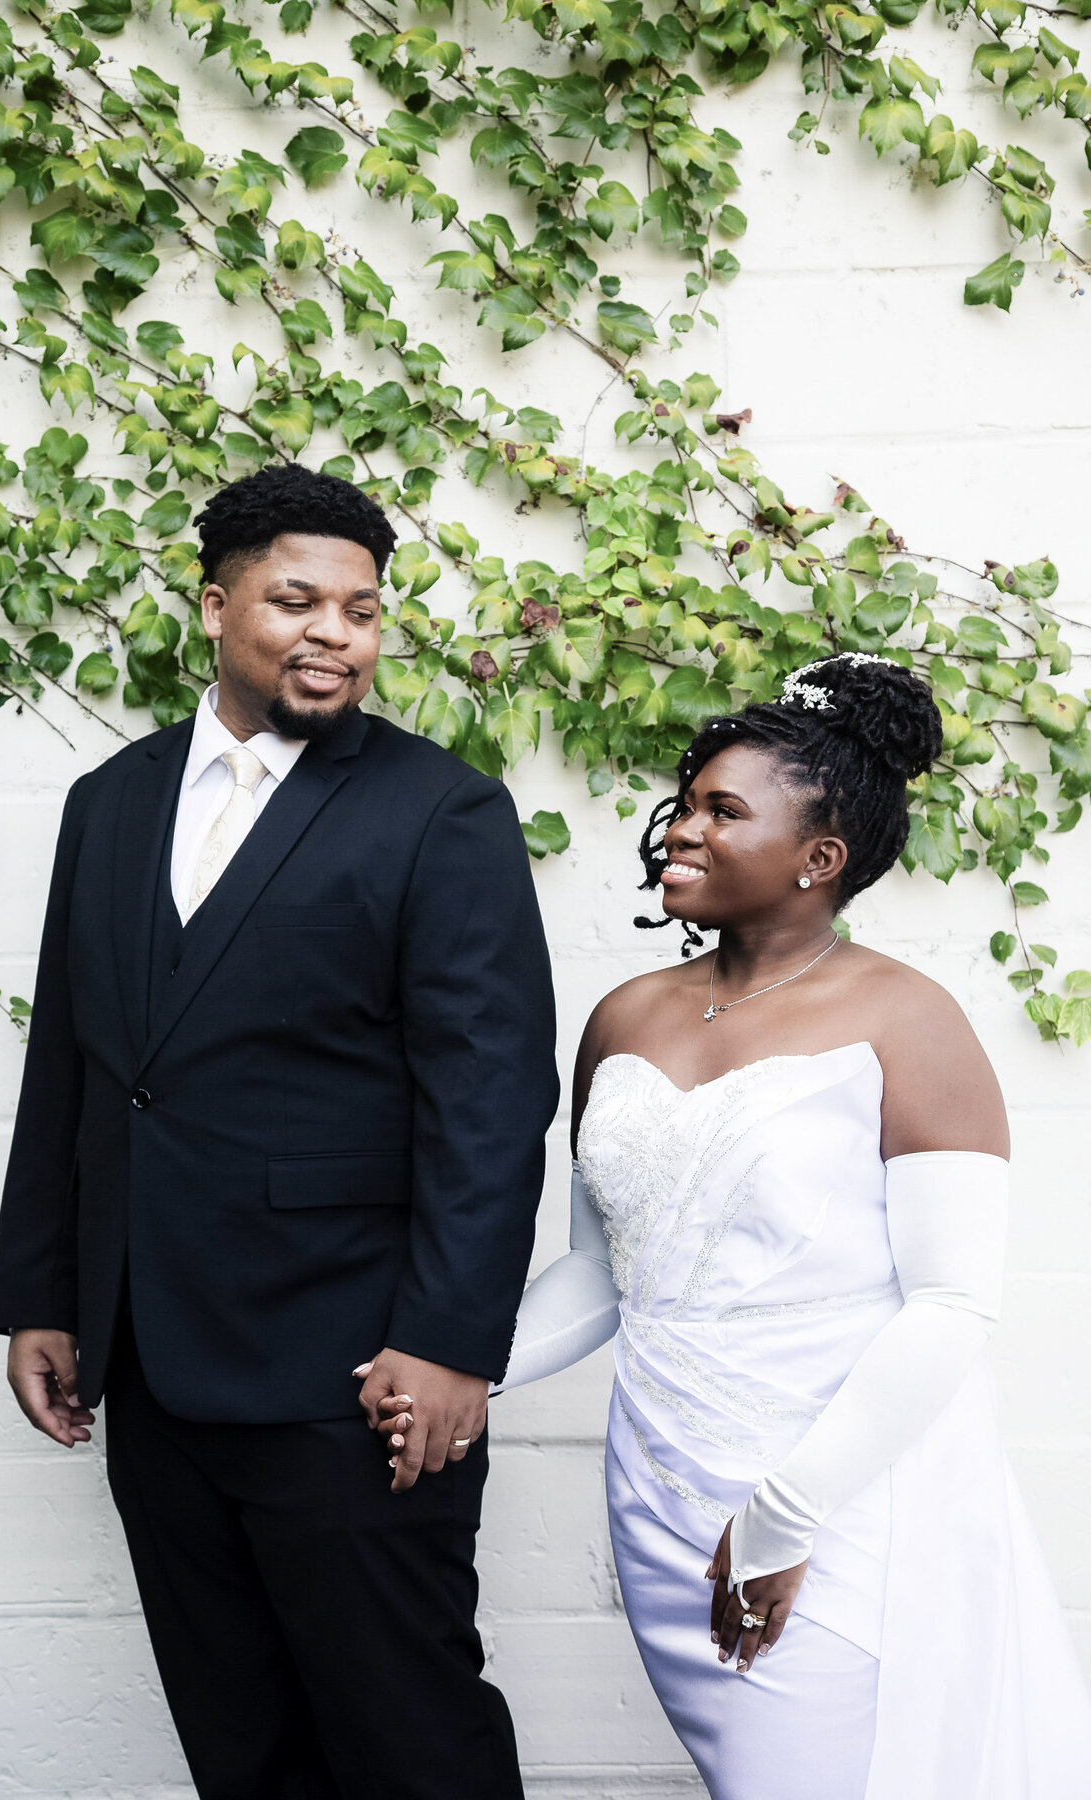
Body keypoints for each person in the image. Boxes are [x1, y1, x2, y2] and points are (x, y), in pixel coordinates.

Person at [378, 652, 1091, 1799]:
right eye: (686, 800)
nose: (681, 829)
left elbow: (954, 1301)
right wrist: (457, 1364)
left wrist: (788, 1512)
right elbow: (601, 1280)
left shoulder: (913, 1022)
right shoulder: (624, 1019)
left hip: (840, 1496)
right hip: (662, 1487)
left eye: (723, 810)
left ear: (820, 858)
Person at [0, 463, 559, 1800]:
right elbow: (76, 1067)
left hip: (355, 1368)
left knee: (410, 1737)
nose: (335, 635)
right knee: (241, 1744)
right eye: (297, 601)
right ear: (213, 605)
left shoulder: (440, 812)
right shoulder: (109, 804)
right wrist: (47, 1294)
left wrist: (450, 1339)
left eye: (362, 611)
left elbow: (491, 1094)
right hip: (156, 1365)